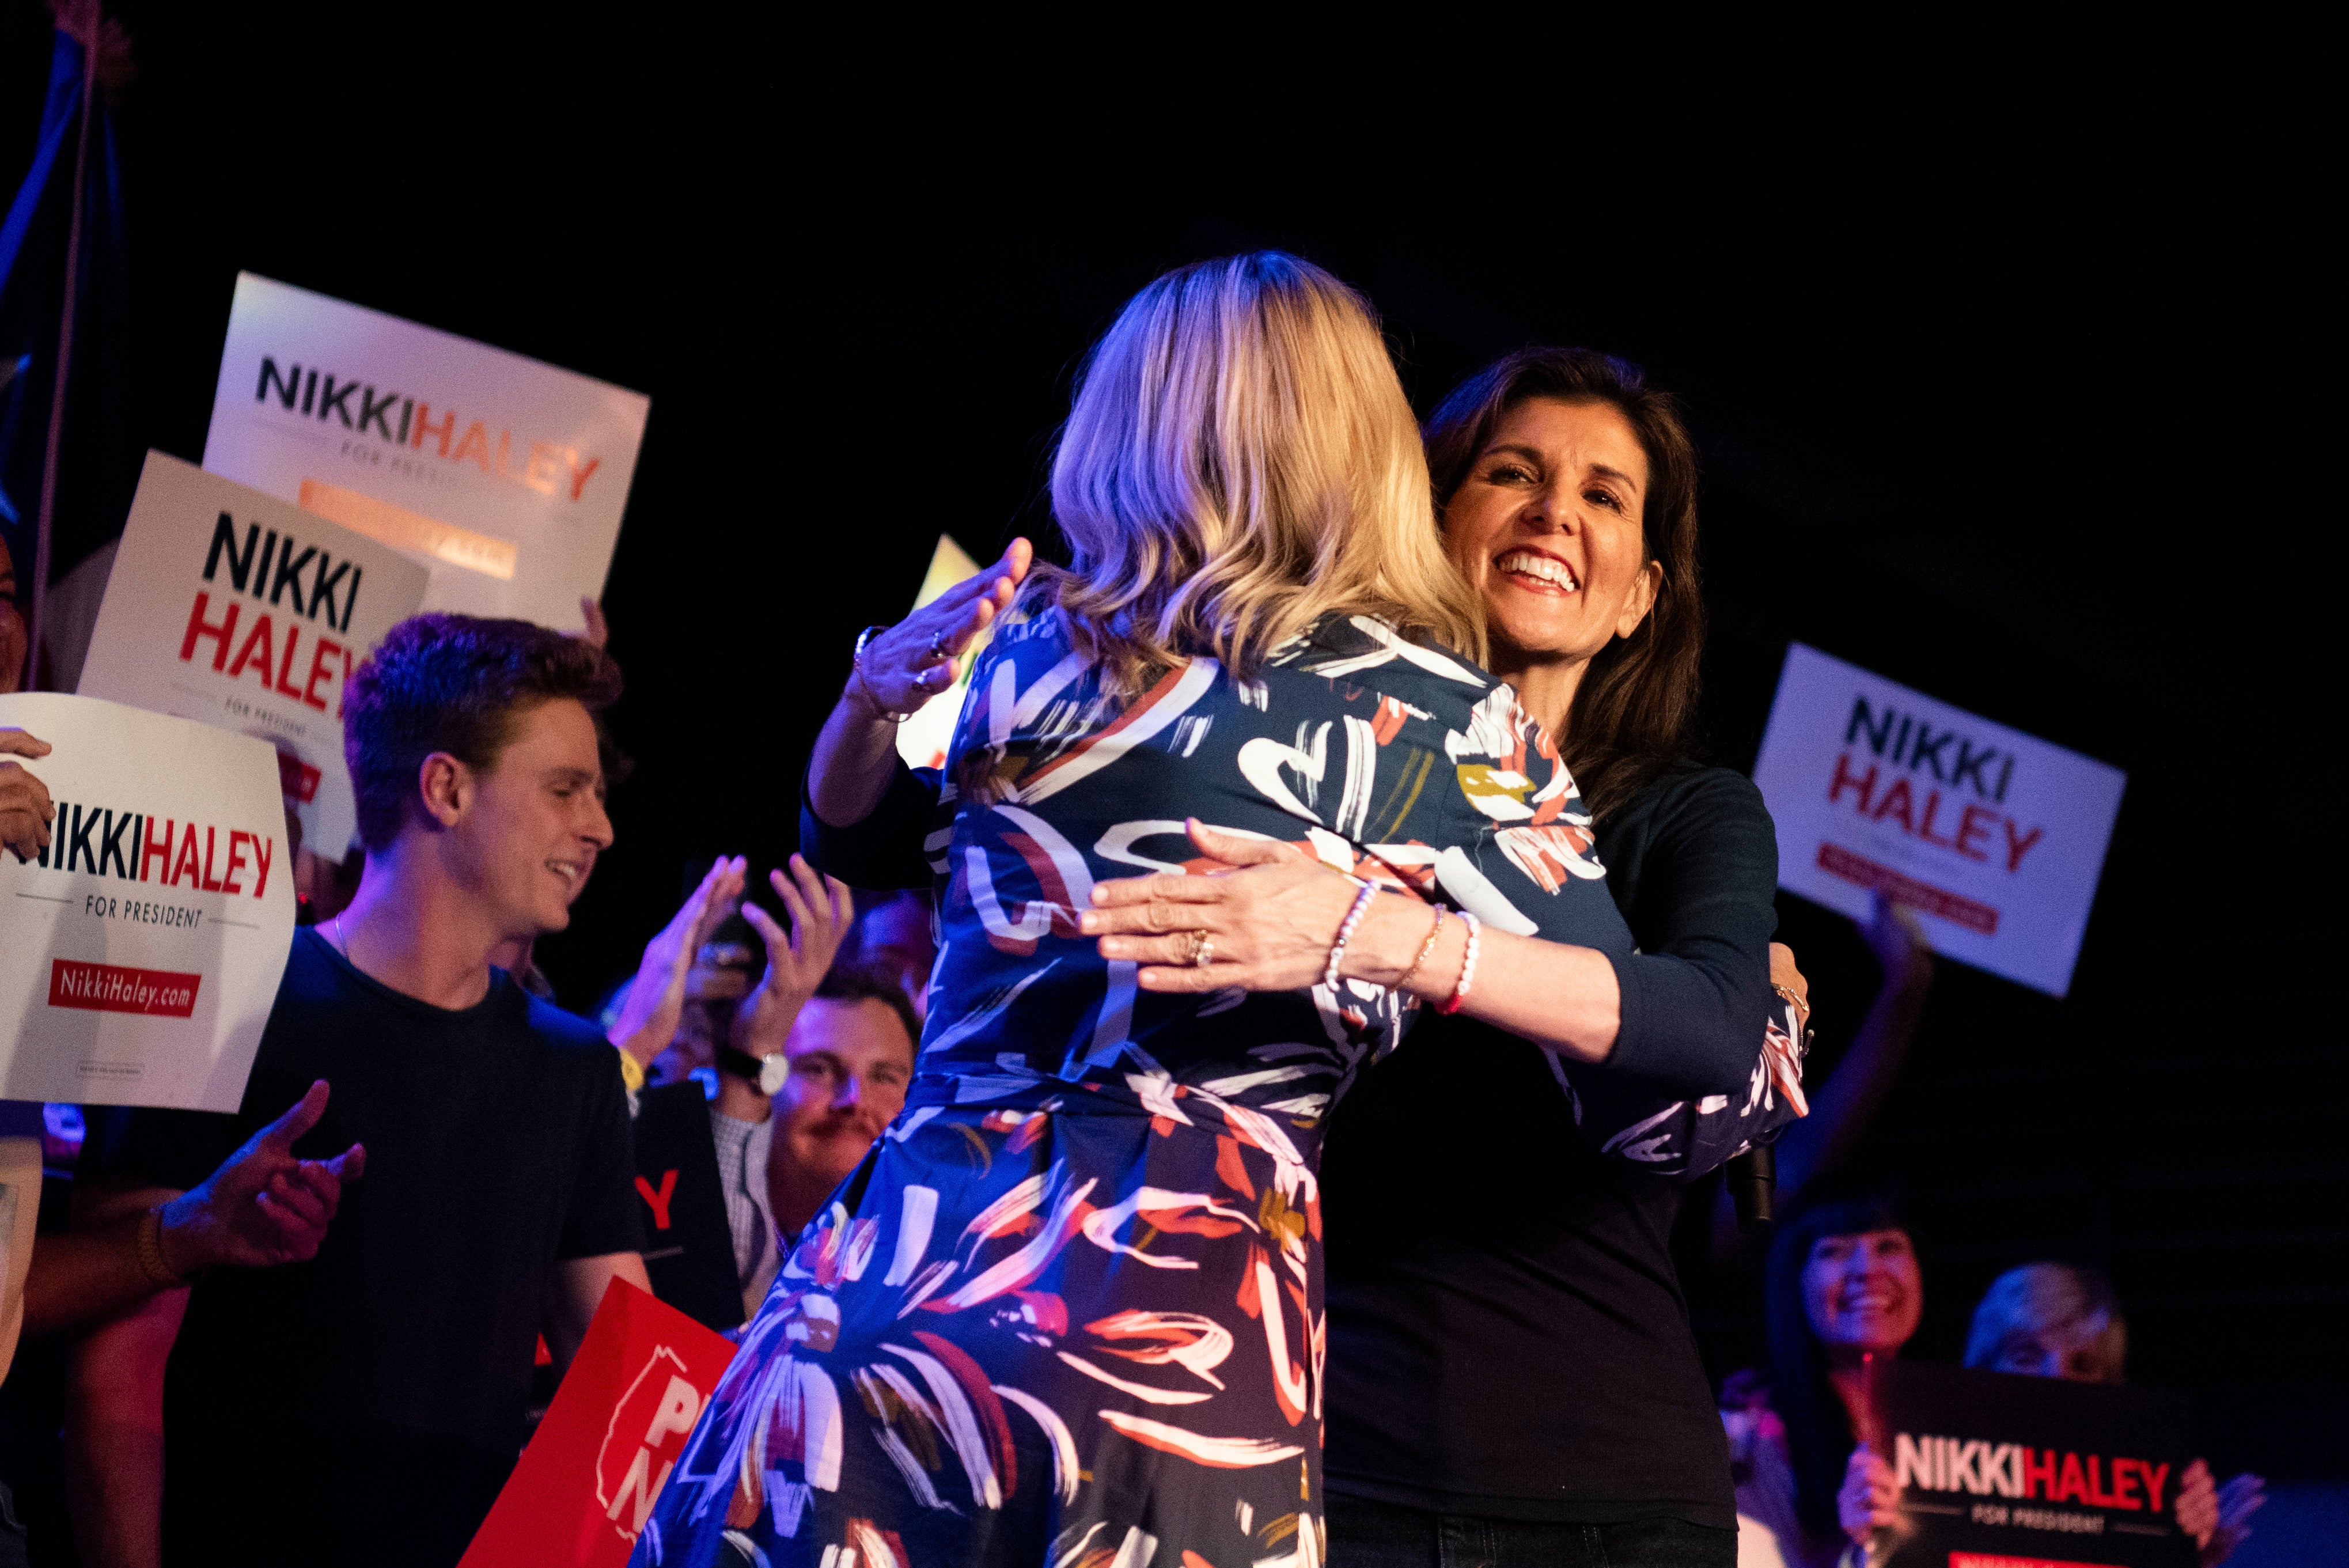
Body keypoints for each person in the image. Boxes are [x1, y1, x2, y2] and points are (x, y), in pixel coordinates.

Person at [642, 253, 1767, 1567]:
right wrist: (1378, 931)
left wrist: (859, 705)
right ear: (1363, 442)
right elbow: (1683, 1039)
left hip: (896, 1285)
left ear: (1122, 424)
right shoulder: (1432, 717)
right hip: (1166, 1324)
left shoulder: (1023, 635)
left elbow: (850, 833)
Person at [1067, 346, 1808, 1564]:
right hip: (1318, 1454)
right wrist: (867, 715)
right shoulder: (1289, 763)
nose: (1552, 512)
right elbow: (880, 839)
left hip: (1609, 1486)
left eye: (1602, 495)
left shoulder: (1688, 812)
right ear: (1427, 514)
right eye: (1510, 471)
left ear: (1637, 595)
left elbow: (1714, 1023)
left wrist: (1380, 936)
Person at [70, 613, 649, 1568]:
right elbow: (122, 1366)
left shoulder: (575, 1066)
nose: (599, 826)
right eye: (564, 789)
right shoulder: (229, 1003)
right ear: (446, 786)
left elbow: (623, 1382)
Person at [1957, 1263, 2266, 1566]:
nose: (2055, 1378)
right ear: (1982, 1367)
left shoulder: (2133, 1499)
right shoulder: (1933, 1484)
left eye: (2083, 1366)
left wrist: (2180, 1554)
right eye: (2025, 1355)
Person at [759, 961, 918, 1243]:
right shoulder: (702, 1228)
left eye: (884, 1077)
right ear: (762, 1084)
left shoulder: (949, 1252)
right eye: (819, 1069)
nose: (855, 1099)